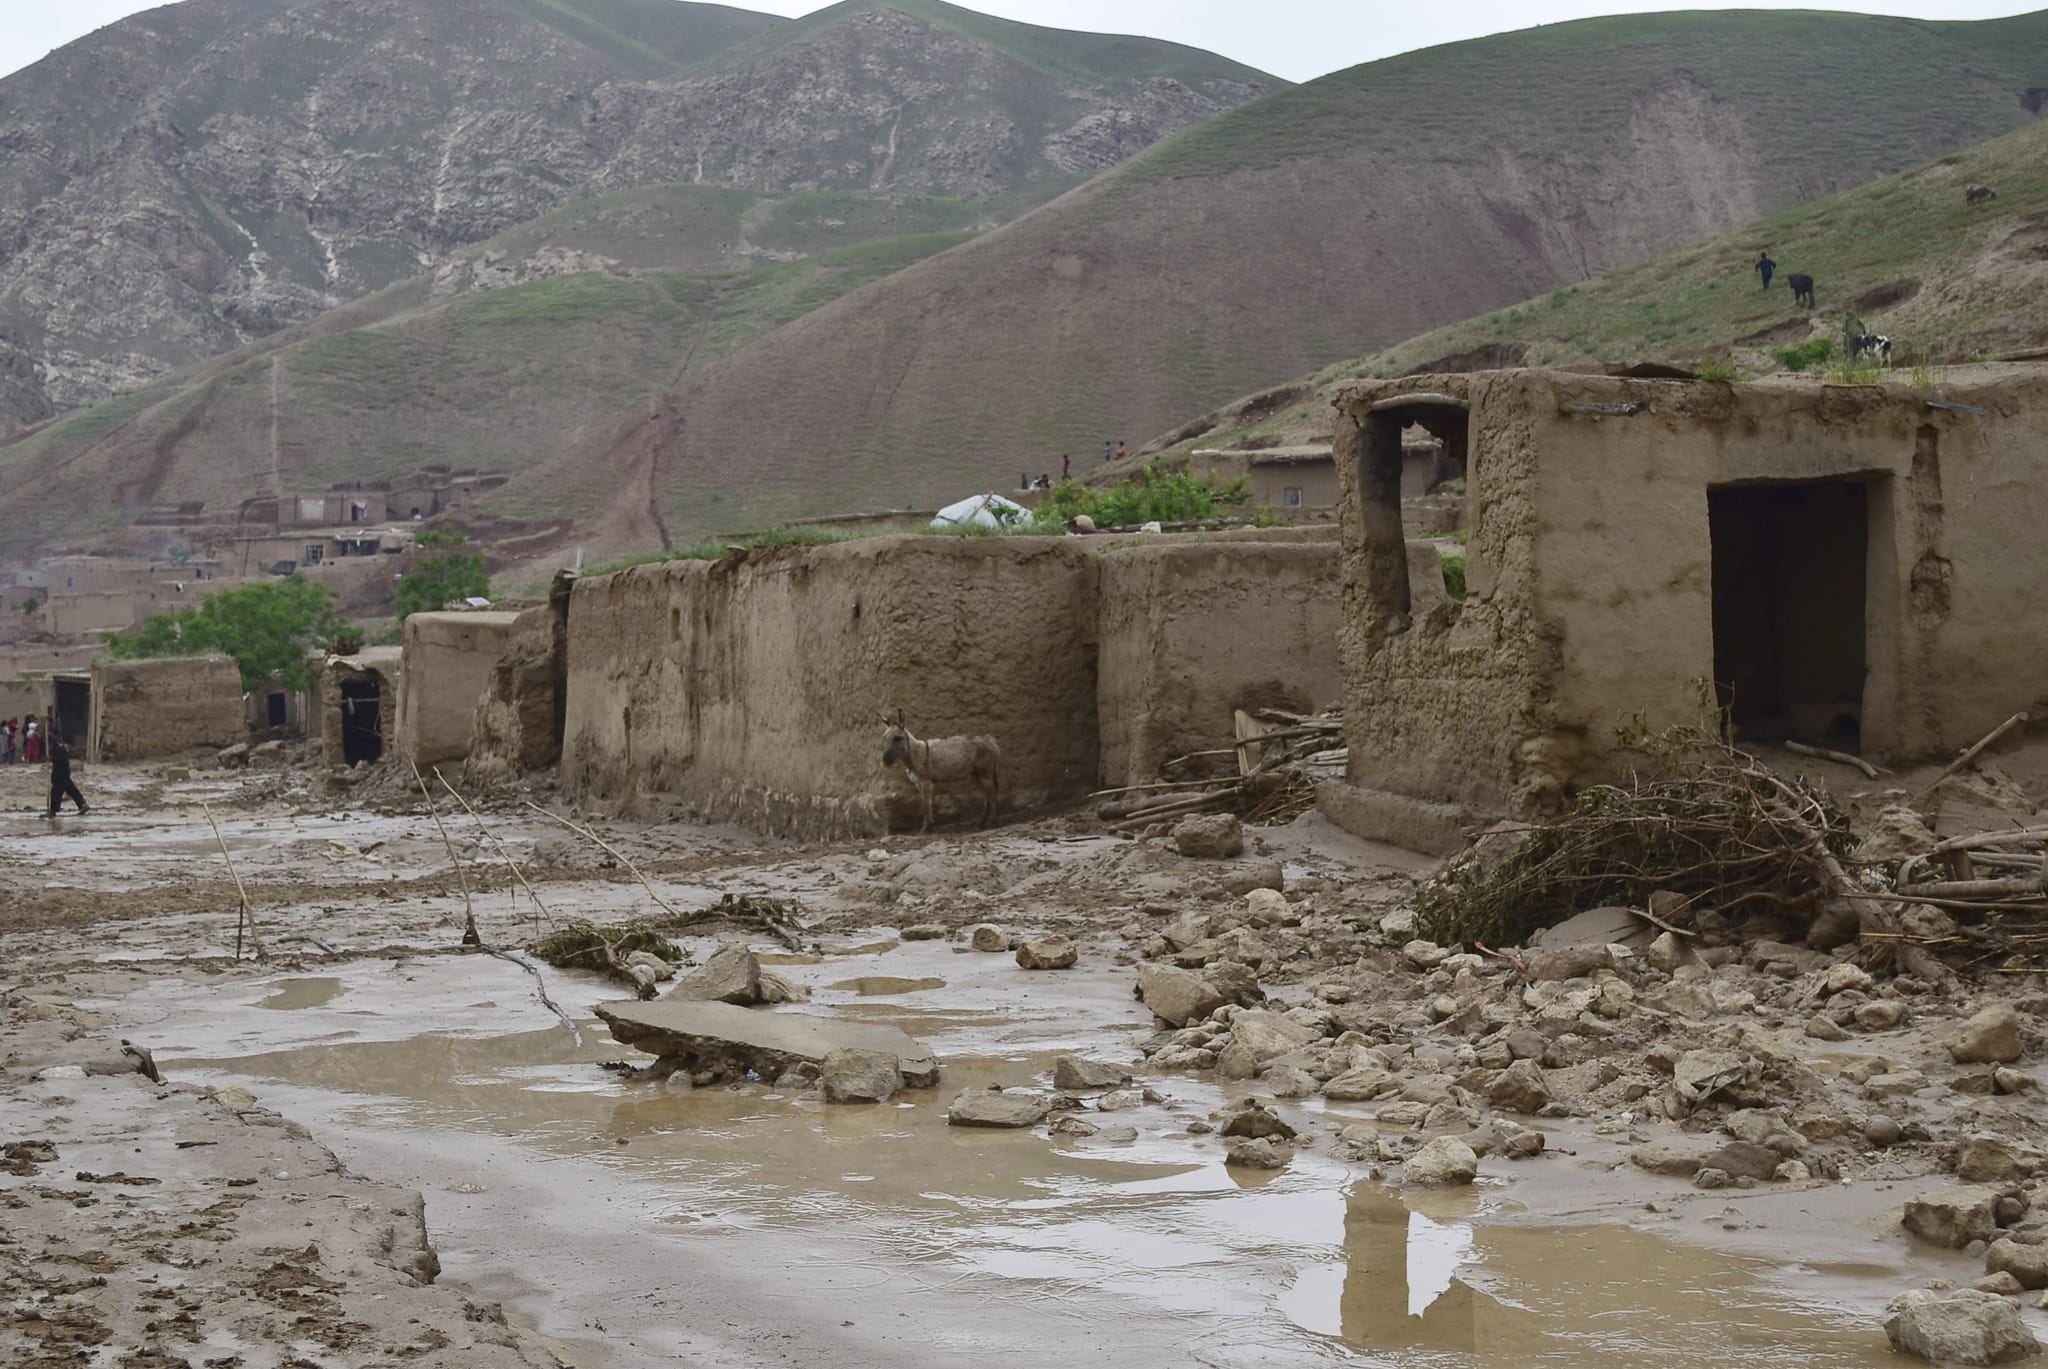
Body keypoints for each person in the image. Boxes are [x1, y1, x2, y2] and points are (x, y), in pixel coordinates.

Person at [46, 735, 86, 818]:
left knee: (56, 792)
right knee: (71, 790)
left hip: (61, 775)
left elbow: (61, 760)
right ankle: (82, 804)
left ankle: (53, 811)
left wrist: (51, 759)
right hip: (63, 774)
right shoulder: (57, 747)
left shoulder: (59, 748)